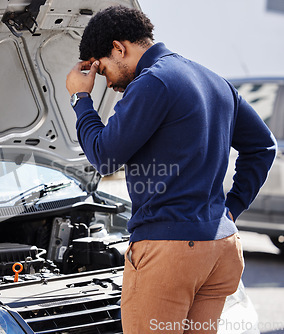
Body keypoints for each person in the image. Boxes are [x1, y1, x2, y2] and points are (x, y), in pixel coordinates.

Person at [66, 5, 276, 334]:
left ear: (119, 48)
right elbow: (263, 146)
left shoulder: (153, 83)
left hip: (171, 253)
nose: (106, 83)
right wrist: (231, 209)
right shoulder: (213, 79)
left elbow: (104, 156)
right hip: (221, 249)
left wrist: (80, 98)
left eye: (104, 71)